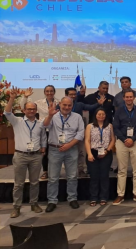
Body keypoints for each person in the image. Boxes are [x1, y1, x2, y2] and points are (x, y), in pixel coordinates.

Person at [5, 88, 46, 218]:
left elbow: (43, 137)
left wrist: (43, 148)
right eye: (28, 109)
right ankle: (16, 207)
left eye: (33, 109)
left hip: (35, 156)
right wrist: (12, 98)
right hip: (20, 156)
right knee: (19, 183)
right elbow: (7, 112)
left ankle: (34, 203)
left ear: (36, 111)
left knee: (35, 182)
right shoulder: (17, 121)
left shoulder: (40, 124)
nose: (31, 111)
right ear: (24, 111)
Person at [43, 97, 85, 212]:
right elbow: (45, 126)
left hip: (71, 149)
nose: (67, 107)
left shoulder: (77, 117)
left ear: (72, 105)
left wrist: (69, 145)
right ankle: (52, 201)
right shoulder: (53, 116)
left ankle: (72, 198)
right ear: (60, 104)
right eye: (64, 105)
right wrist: (50, 115)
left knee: (72, 176)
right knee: (53, 177)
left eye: (69, 105)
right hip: (55, 149)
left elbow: (81, 134)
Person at [113, 90, 136, 205]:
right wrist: (124, 139)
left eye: (131, 97)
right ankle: (120, 194)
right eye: (127, 97)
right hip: (122, 142)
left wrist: (133, 138)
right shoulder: (119, 111)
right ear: (123, 98)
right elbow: (116, 127)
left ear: (134, 98)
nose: (129, 99)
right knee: (122, 170)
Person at [20, 85, 59, 179]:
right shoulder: (39, 102)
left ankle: (54, 171)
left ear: (54, 92)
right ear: (44, 92)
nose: (49, 93)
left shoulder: (58, 102)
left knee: (54, 152)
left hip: (55, 130)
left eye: (51, 91)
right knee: (44, 152)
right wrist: (25, 97)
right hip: (43, 129)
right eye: (47, 91)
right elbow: (23, 106)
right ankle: (45, 171)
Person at [66, 87, 105, 178]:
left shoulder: (79, 104)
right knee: (67, 153)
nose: (73, 96)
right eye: (70, 94)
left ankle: (81, 170)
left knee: (81, 152)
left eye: (74, 94)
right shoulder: (62, 105)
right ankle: (69, 171)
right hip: (66, 133)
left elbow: (90, 107)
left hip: (78, 132)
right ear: (66, 95)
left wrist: (98, 104)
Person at [85, 108, 115, 206]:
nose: (101, 116)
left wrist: (107, 151)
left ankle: (103, 197)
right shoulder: (90, 126)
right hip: (93, 152)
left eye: (103, 114)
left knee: (104, 176)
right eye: (99, 114)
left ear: (106, 115)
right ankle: (93, 198)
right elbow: (87, 141)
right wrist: (89, 154)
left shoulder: (109, 126)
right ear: (95, 115)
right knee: (94, 176)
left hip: (106, 153)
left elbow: (112, 140)